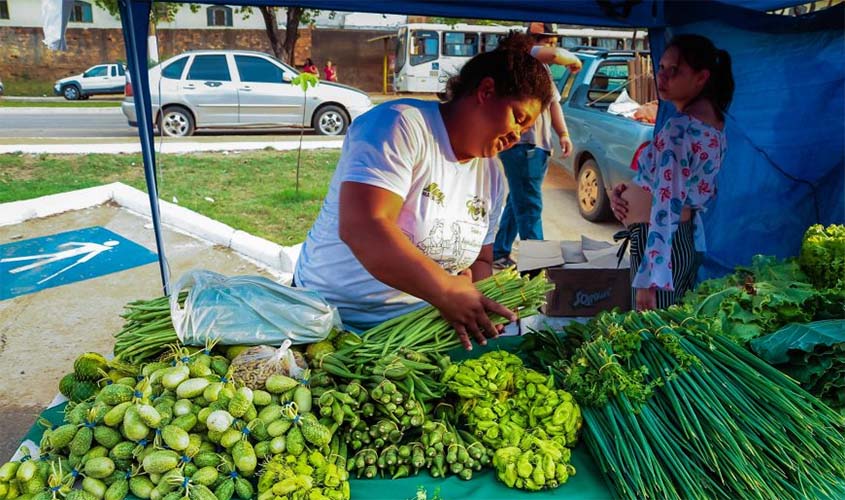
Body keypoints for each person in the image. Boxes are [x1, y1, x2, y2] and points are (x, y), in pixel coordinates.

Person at [293, 33, 553, 350]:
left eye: (525, 130)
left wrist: (480, 301)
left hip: (416, 334)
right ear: (486, 91)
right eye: (518, 118)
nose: (516, 136)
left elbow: (482, 259)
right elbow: (364, 226)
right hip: (330, 325)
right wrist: (445, 289)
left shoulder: (491, 176)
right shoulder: (401, 125)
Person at [611, 34, 734, 311]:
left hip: (660, 249)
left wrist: (650, 277)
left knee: (652, 331)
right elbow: (686, 188)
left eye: (674, 70)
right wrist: (628, 191)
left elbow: (667, 205)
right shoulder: (713, 122)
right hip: (676, 242)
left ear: (701, 78)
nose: (662, 76)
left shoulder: (680, 129)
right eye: (661, 67)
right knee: (668, 326)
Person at [492, 22, 582, 268]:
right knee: (530, 206)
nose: (552, 47)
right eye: (547, 42)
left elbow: (553, 103)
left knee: (519, 201)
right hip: (523, 146)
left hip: (537, 147)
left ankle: (499, 251)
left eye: (553, 42)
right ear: (531, 42)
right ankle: (536, 267)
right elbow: (554, 55)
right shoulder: (521, 59)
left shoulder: (542, 70)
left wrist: (563, 134)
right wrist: (574, 60)